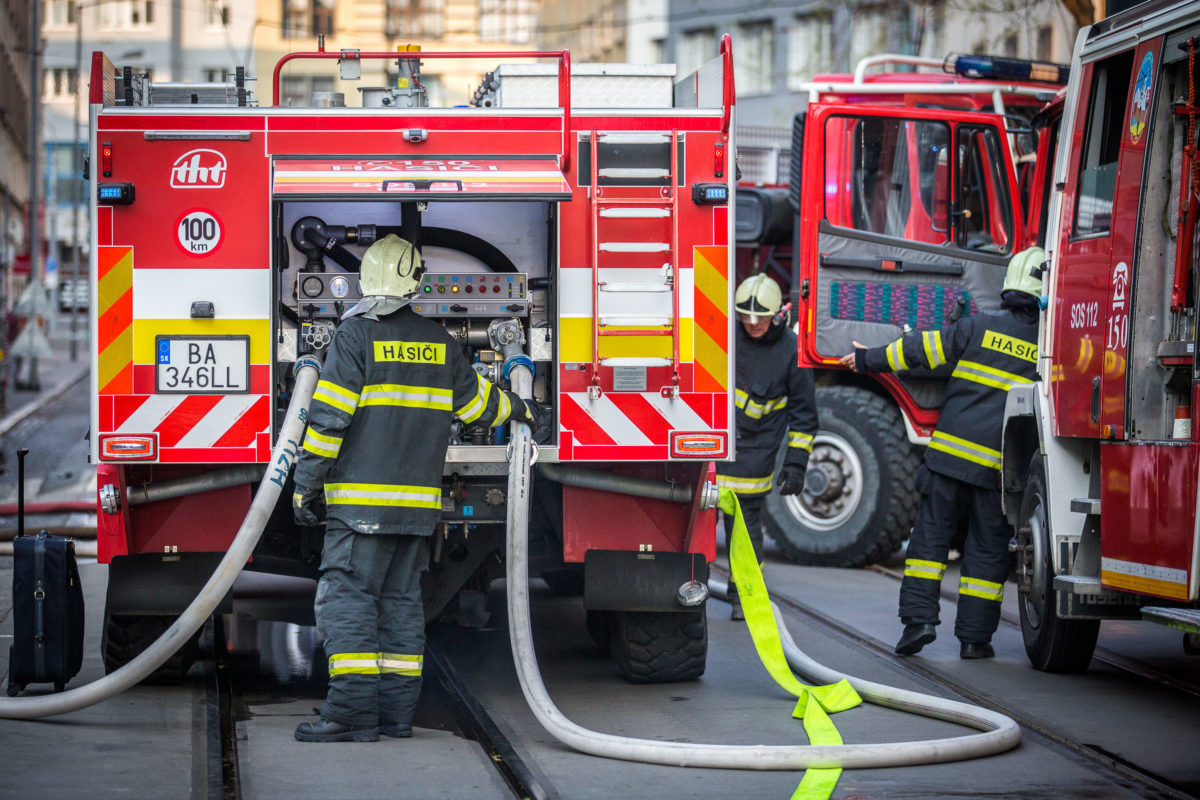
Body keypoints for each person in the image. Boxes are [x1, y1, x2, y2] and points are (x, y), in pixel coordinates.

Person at [292, 234, 547, 742]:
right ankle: (395, 713)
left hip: (358, 512)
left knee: (347, 603)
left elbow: (327, 422)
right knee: (401, 606)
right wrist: (524, 408)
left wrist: (304, 486)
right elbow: (480, 408)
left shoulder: (354, 337)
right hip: (416, 514)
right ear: (414, 285)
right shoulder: (440, 342)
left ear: (367, 281)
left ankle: (351, 714)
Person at [839, 246, 1044, 659]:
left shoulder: (978, 326)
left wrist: (865, 359)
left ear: (1009, 285)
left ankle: (918, 623)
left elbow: (917, 351)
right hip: (997, 471)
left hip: (947, 461)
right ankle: (974, 640)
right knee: (986, 551)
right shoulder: (1047, 346)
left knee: (930, 542)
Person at [717, 273, 818, 620]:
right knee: (694, 529)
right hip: (710, 451)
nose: (752, 323)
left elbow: (804, 416)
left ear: (778, 314)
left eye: (760, 317)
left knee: (743, 534)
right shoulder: (727, 336)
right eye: (744, 316)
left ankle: (744, 598)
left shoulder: (791, 351)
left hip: (754, 457)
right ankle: (688, 593)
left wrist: (796, 465)